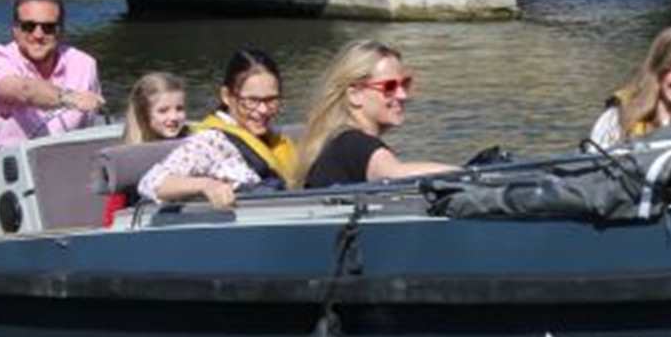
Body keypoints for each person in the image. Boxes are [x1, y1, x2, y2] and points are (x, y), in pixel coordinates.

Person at [0, 0, 103, 168]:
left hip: (51, 174)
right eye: (28, 26)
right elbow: (22, 90)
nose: (38, 35)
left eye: (48, 27)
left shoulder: (84, 65)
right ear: (15, 29)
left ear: (61, 30)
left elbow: (86, 131)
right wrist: (68, 98)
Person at [138, 50, 300, 210]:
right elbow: (152, 182)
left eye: (271, 100)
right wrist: (207, 185)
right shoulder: (211, 142)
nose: (263, 109)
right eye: (252, 100)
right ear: (227, 96)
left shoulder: (273, 139)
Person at [297, 40, 455, 189]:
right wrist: (469, 175)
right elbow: (394, 174)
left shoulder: (337, 141)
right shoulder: (354, 144)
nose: (402, 95)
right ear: (355, 95)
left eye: (405, 84)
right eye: (390, 86)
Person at [101, 72, 188, 225]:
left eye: (179, 109)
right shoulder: (128, 160)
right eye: (163, 111)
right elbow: (111, 220)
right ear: (144, 114)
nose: (174, 117)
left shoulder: (196, 146)